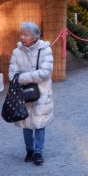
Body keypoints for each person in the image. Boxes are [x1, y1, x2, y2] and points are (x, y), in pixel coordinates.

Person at [8, 22, 54, 165]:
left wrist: (23, 77)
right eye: (21, 34)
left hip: (42, 92)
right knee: (26, 123)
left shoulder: (45, 50)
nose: (22, 37)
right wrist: (30, 76)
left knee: (40, 123)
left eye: (25, 35)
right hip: (24, 93)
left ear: (35, 37)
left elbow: (46, 72)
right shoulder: (17, 52)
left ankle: (38, 152)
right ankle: (29, 150)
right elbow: (12, 75)